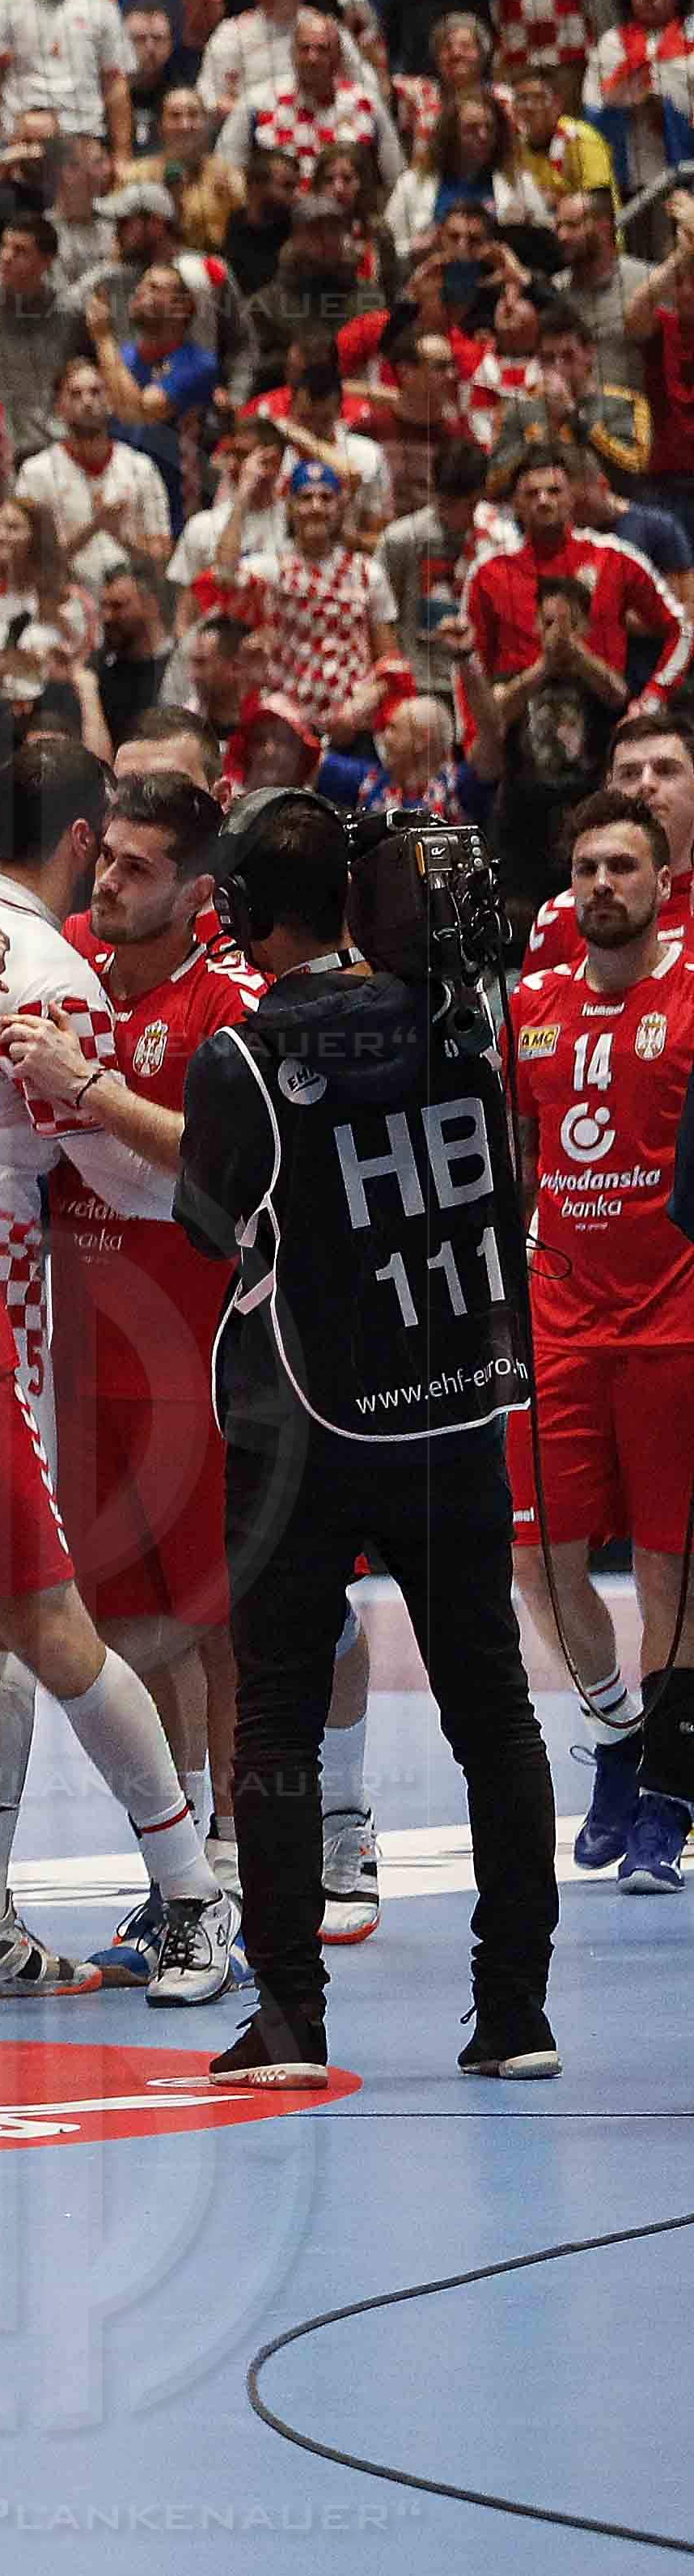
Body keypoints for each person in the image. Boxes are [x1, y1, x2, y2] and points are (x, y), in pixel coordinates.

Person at [178, 791, 561, 2082]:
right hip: (453, 1409)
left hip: (306, 1429)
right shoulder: (465, 1026)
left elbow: (204, 1222)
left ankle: (289, 2015)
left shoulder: (241, 1054)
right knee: (493, 1715)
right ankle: (515, 2014)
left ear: (238, 914)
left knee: (280, 1721)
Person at [1, 770, 264, 2001]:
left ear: (200, 891)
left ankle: (246, 1859)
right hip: (81, 1343)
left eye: (141, 867)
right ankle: (184, 1887)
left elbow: (229, 1166)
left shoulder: (230, 1004)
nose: (109, 880)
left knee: (220, 1613)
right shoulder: (69, 984)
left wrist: (89, 1089)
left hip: (203, 1346)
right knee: (130, 1622)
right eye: (105, 858)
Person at [506, 791, 694, 1891]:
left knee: (669, 1566)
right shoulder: (529, 1005)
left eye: (623, 868)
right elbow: (513, 1160)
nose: (601, 887)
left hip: (674, 1321)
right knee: (537, 1560)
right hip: (559, 1321)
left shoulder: (691, 995)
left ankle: (667, 1789)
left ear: (663, 884)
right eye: (585, 869)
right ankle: (623, 1739)